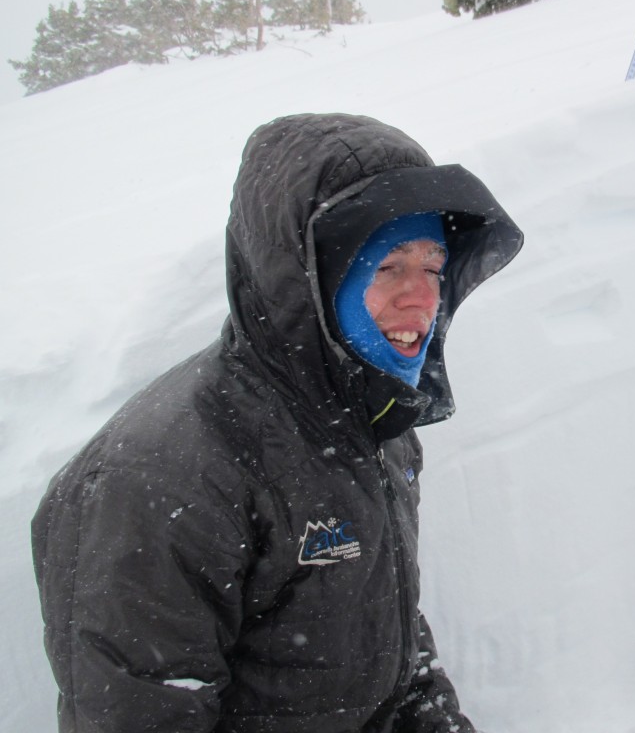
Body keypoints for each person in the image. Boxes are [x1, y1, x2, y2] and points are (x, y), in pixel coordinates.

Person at [31, 113, 524, 732]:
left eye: (432, 268)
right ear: (305, 274)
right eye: (389, 266)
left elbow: (393, 640)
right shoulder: (162, 477)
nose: (423, 298)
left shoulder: (374, 423)